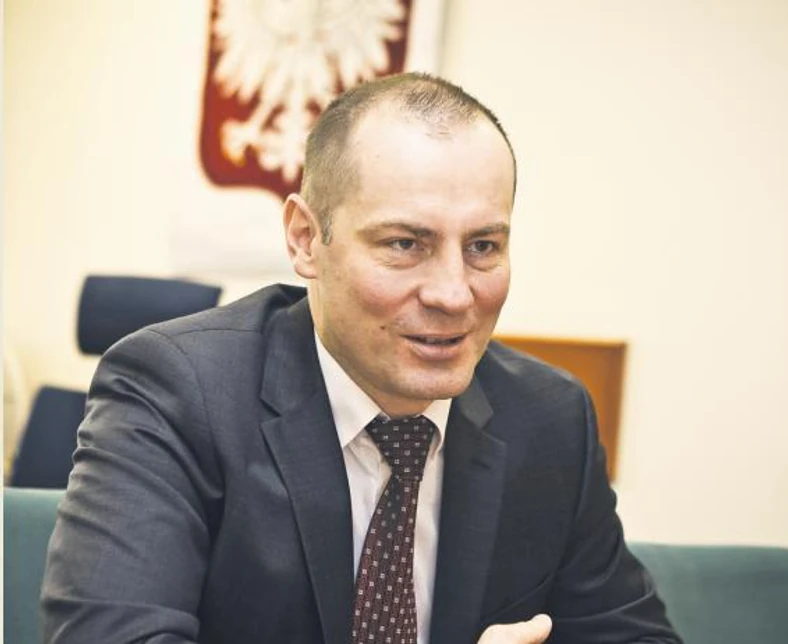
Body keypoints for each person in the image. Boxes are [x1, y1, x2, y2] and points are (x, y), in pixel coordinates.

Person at [42, 72, 681, 644]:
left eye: (483, 246)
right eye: (405, 244)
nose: (454, 294)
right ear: (305, 239)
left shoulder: (550, 419)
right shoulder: (177, 392)